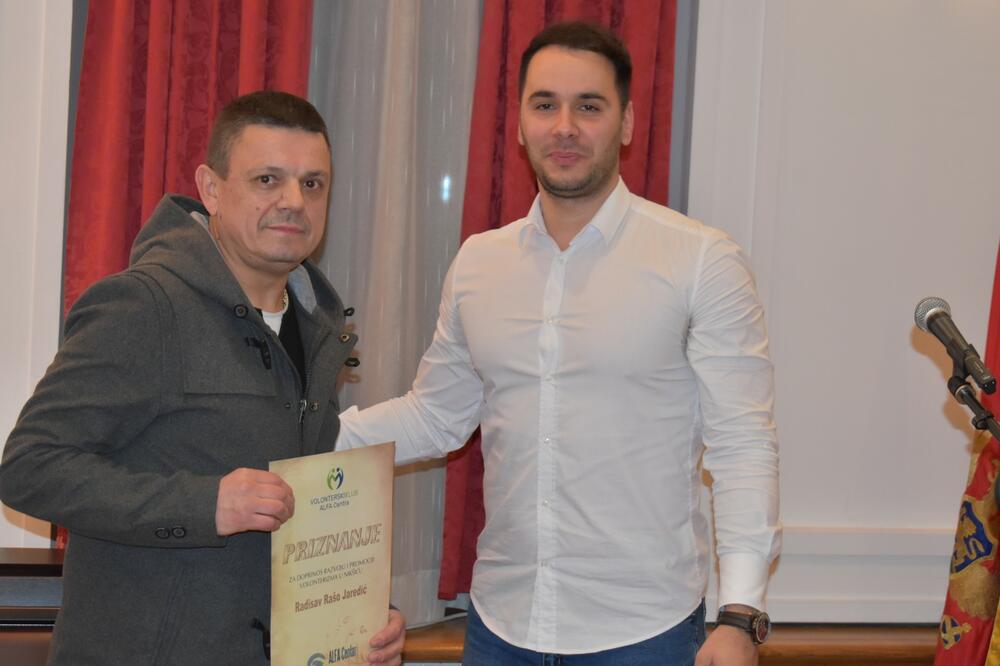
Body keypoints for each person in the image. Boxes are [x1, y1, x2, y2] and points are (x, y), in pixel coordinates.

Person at [335, 22, 780, 665]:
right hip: (501, 628)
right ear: (520, 124)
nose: (564, 127)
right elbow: (435, 416)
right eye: (544, 105)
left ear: (626, 123)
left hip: (645, 634)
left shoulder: (701, 260)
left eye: (589, 106)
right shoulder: (479, 263)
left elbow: (743, 444)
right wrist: (304, 437)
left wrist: (739, 615)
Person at [0, 91, 405, 665]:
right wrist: (204, 503)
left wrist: (358, 615)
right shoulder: (142, 307)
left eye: (313, 184)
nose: (294, 201)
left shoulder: (317, 328)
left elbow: (303, 513)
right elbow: (29, 469)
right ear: (211, 189)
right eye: (267, 179)